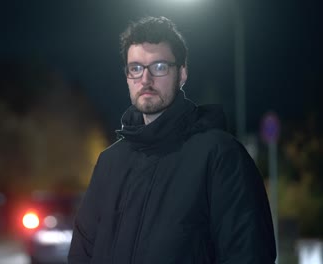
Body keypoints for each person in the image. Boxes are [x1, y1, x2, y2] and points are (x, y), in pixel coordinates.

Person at [68, 16, 276, 263]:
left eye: (159, 67)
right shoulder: (109, 163)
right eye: (135, 68)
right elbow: (82, 254)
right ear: (127, 76)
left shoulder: (220, 156)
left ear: (183, 73)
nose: (145, 80)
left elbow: (248, 255)